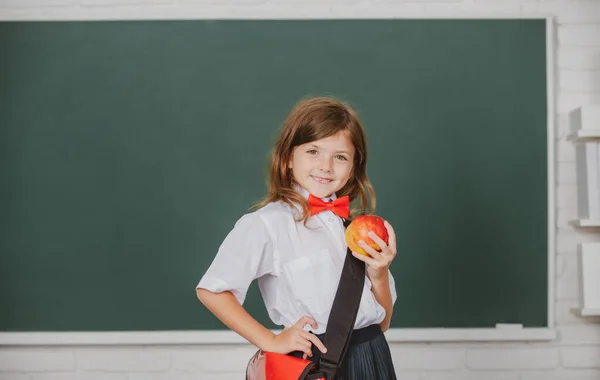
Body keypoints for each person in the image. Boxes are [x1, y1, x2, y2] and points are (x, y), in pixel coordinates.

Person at [196, 96, 398, 379]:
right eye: (313, 151)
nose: (326, 166)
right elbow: (213, 290)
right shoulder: (267, 223)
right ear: (289, 157)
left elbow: (382, 322)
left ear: (354, 165)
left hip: (374, 355)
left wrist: (379, 273)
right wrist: (271, 340)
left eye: (340, 156)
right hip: (320, 364)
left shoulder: (352, 228)